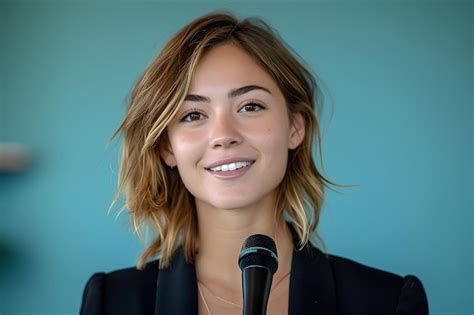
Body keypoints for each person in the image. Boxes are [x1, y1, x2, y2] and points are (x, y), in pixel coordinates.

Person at [80, 11, 429, 315]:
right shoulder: (111, 302)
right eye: (193, 114)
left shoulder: (387, 301)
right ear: (166, 148)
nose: (223, 135)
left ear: (295, 128)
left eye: (250, 106)